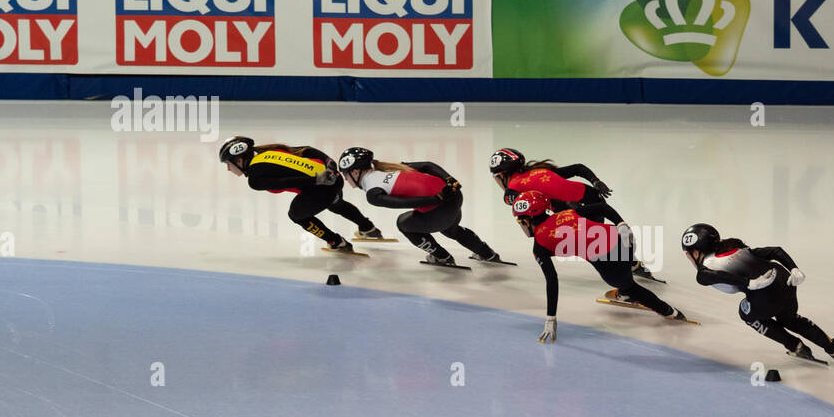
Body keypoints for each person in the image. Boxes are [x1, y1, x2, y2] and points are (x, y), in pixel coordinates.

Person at [513, 191, 685, 344]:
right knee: (623, 267)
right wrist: (621, 224)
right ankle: (633, 267)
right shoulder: (565, 214)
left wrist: (551, 317)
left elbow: (552, 280)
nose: (519, 225)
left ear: (528, 220)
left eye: (519, 220)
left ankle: (670, 312)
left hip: (610, 260)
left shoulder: (539, 247)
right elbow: (602, 207)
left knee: (628, 286)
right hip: (623, 237)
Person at [683, 224, 834, 363]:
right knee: (790, 319)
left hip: (764, 294)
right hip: (786, 281)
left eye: (689, 254)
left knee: (745, 313)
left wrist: (748, 283)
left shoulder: (705, 269)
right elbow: (776, 251)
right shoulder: (739, 249)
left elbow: (707, 276)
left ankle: (795, 346)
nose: (689, 259)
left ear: (697, 251)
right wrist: (794, 269)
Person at [488, 149, 655, 280]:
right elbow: (578, 168)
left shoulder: (512, 190)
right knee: (605, 237)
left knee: (591, 246)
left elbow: (519, 205)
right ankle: (633, 265)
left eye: (495, 178)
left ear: (502, 175)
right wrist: (596, 181)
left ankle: (625, 281)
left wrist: (561, 207)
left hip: (577, 209)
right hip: (594, 199)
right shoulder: (539, 171)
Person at [338, 148, 502, 267]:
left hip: (440, 205)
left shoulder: (372, 193)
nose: (346, 179)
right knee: (450, 228)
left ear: (356, 171)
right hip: (454, 195)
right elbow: (428, 165)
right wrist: (449, 179)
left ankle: (442, 257)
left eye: (346, 174)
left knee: (403, 223)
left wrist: (436, 199)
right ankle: (487, 253)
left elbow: (405, 203)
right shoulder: (389, 168)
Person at [218, 136, 379, 254]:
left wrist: (316, 180)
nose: (228, 169)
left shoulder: (254, 179)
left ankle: (336, 242)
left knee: (296, 215)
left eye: (228, 164)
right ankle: (368, 228)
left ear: (239, 160)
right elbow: (307, 150)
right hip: (333, 178)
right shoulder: (268, 151)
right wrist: (328, 161)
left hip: (320, 186)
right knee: (336, 204)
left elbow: (286, 182)